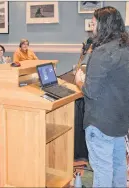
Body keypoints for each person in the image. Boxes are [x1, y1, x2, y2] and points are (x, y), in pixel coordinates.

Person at [75, 6, 129, 187]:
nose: (92, 27)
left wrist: (79, 81)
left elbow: (90, 91)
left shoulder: (102, 52)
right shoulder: (125, 47)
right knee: (119, 165)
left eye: (94, 23)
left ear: (103, 25)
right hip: (120, 119)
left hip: (100, 121)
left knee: (103, 169)